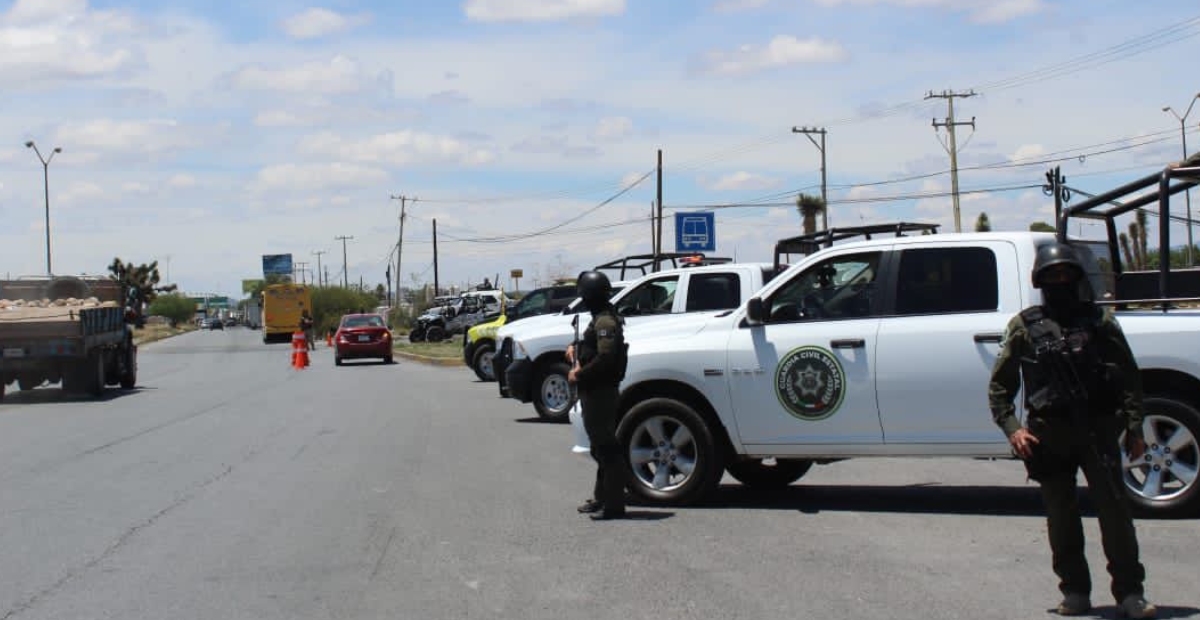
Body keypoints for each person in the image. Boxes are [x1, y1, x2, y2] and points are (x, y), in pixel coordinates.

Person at [988, 242, 1156, 619]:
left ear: (1077, 278)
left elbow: (1128, 377)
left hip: (1097, 431)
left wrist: (1134, 427)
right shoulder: (1024, 326)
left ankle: (1130, 592)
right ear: (1041, 280)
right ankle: (1075, 591)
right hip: (1049, 436)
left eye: (1066, 274)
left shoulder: (1100, 322)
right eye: (1052, 275)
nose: (1059, 281)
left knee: (1115, 515)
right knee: (1061, 518)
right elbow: (1000, 387)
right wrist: (1013, 429)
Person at [566, 270, 629, 521]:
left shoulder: (605, 321)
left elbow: (605, 358)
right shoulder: (600, 319)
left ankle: (613, 504)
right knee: (599, 446)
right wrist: (575, 350)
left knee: (606, 448)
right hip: (595, 389)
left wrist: (578, 375)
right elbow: (593, 348)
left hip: (601, 390)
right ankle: (602, 498)